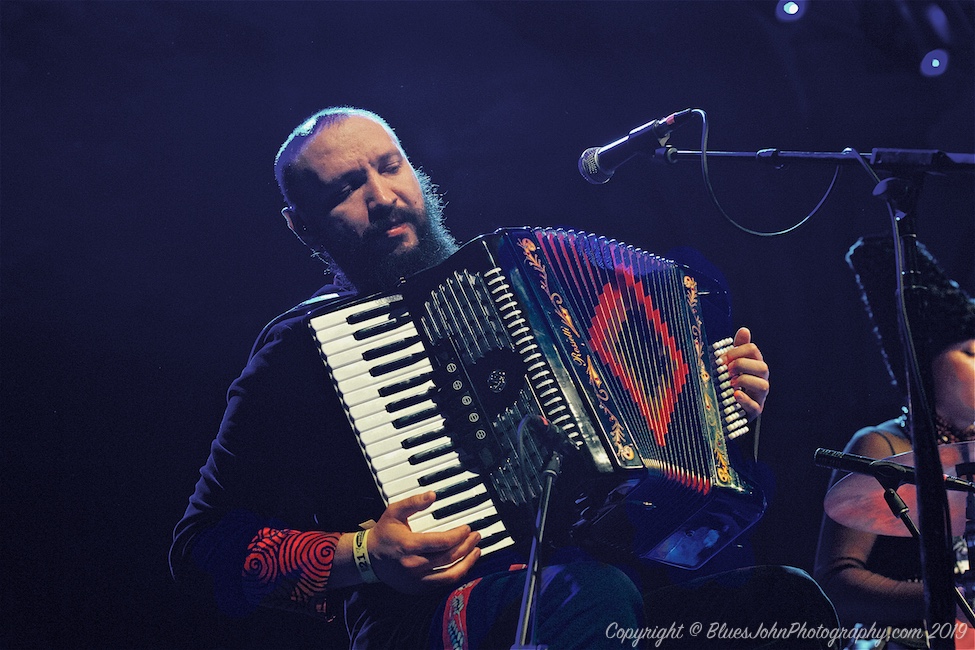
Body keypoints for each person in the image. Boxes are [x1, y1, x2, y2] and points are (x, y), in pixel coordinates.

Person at [171, 106, 837, 649]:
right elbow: (202, 547)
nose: (381, 196)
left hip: (599, 578)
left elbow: (642, 480)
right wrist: (365, 554)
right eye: (346, 188)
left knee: (782, 604)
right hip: (431, 620)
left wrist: (715, 408)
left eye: (388, 166)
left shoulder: (522, 285)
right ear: (302, 226)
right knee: (592, 593)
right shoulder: (302, 349)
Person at [814, 235, 975, 648]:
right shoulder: (880, 445)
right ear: (922, 366)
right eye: (970, 352)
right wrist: (947, 600)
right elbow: (837, 581)